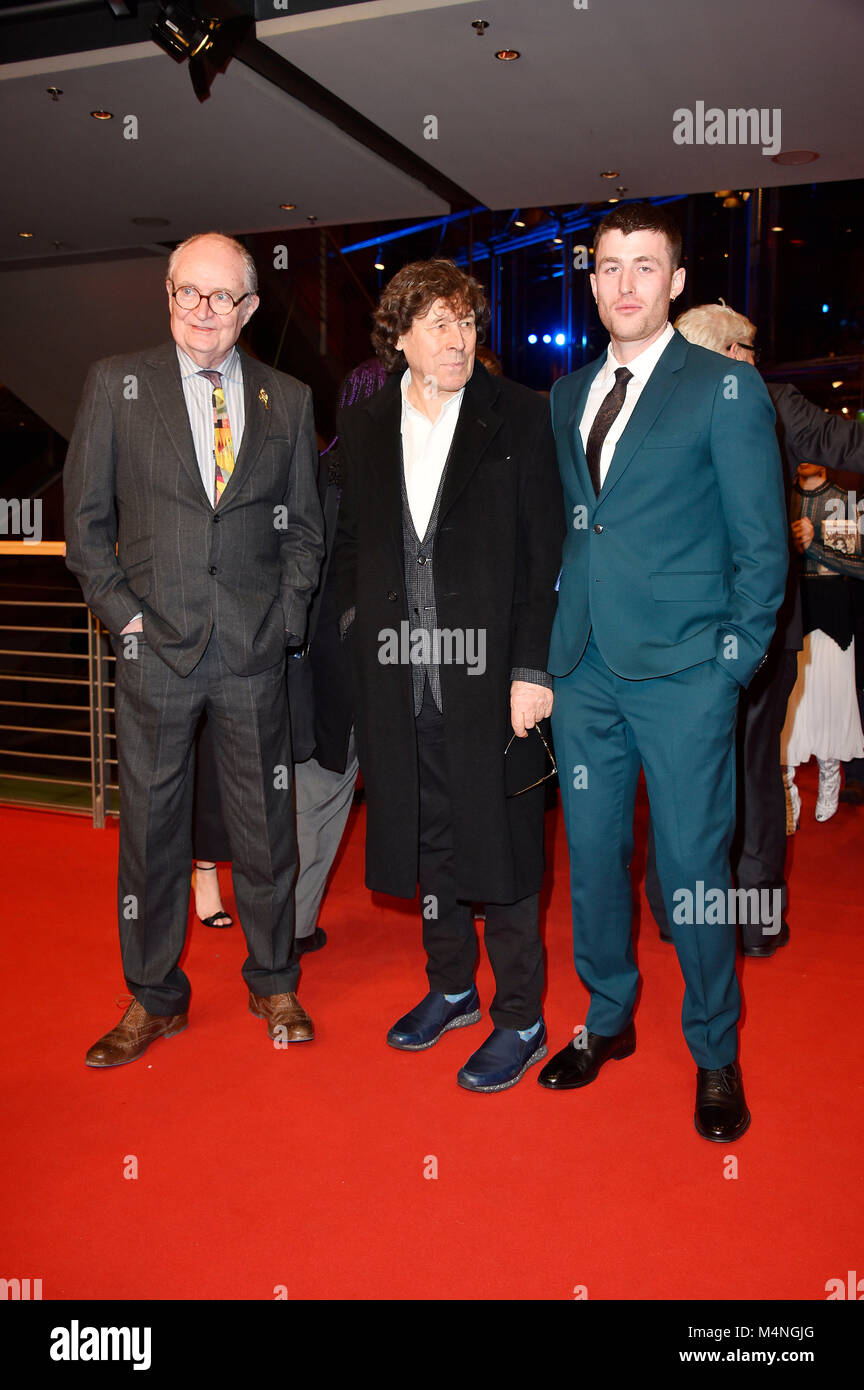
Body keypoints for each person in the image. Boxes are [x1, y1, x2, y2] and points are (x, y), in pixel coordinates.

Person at [542, 204, 788, 1141]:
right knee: (595, 863)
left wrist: (731, 666)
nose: (627, 284)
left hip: (688, 673)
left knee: (691, 870)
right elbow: (578, 530)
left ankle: (715, 1052)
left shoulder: (724, 388)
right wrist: (552, 661)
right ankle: (607, 1023)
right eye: (610, 267)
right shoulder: (566, 393)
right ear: (594, 281)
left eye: (646, 266)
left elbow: (764, 549)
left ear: (676, 282)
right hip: (586, 671)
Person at [64, 232, 324, 1066]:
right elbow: (85, 528)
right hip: (156, 652)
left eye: (223, 298)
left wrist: (284, 622)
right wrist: (126, 621)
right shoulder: (117, 383)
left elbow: (306, 533)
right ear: (168, 295)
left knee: (265, 831)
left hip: (253, 653)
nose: (204, 312)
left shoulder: (288, 398)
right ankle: (152, 999)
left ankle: (275, 979)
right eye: (189, 294)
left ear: (249, 307)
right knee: (150, 833)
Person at [330, 258, 564, 1092]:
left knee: (499, 847)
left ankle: (522, 1017)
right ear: (398, 338)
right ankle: (453, 989)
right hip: (401, 679)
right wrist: (363, 633)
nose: (458, 338)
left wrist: (532, 669)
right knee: (428, 841)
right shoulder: (362, 428)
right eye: (437, 323)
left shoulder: (520, 418)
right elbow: (349, 544)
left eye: (466, 322)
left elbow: (545, 558)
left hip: (492, 676)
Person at [644, 300, 864, 954]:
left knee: (743, 770)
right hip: (685, 632)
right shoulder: (662, 406)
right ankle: (685, 908)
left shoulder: (773, 403)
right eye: (747, 349)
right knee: (699, 770)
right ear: (728, 350)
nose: (754, 361)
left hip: (760, 627)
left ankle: (753, 917)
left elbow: (844, 442)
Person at [189, 359, 388, 951]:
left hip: (296, 667)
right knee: (320, 801)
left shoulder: (309, 469)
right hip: (344, 669)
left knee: (308, 799)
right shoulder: (381, 479)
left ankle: (288, 928)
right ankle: (285, 930)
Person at [781, 463, 864, 821]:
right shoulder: (780, 495)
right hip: (788, 604)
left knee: (831, 696)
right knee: (787, 702)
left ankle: (831, 773)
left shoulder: (845, 501)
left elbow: (859, 566)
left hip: (832, 608)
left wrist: (811, 545)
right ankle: (785, 787)